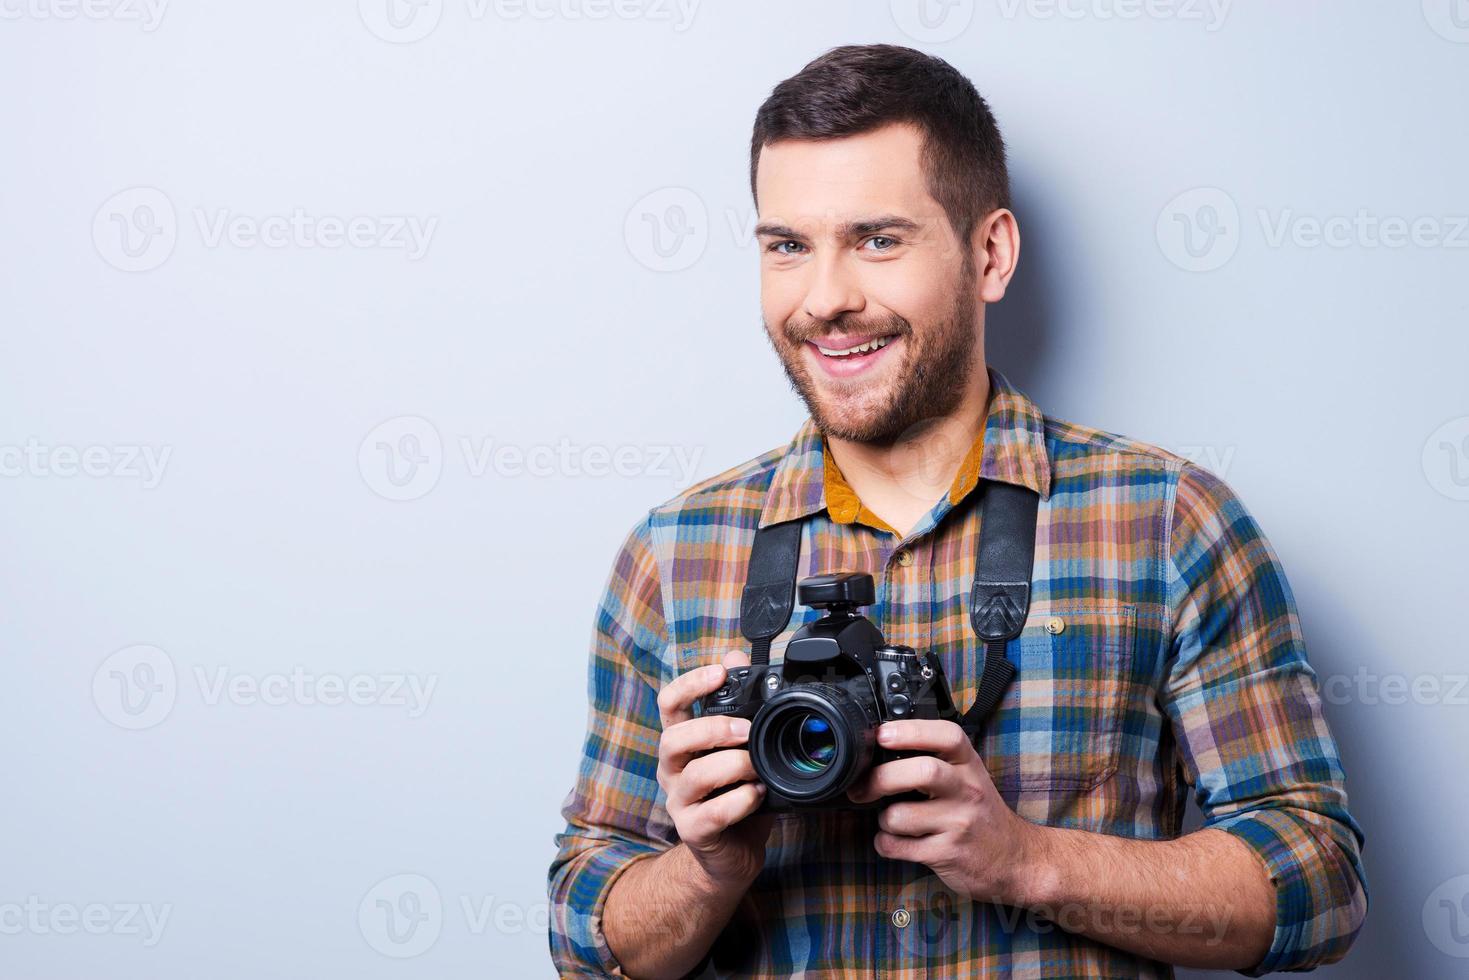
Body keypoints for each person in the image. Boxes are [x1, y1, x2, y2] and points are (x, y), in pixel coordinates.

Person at [548, 43, 1367, 978]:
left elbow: (1319, 882)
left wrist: (1025, 860)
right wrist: (706, 870)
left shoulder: (1167, 523)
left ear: (990, 254)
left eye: (877, 239)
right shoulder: (675, 553)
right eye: (787, 247)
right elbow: (583, 932)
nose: (826, 300)